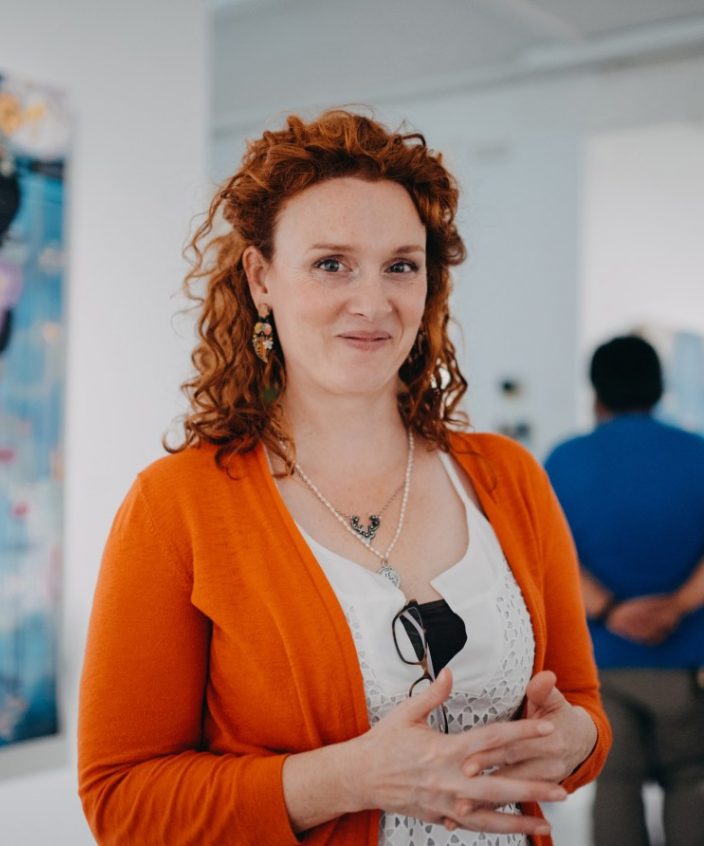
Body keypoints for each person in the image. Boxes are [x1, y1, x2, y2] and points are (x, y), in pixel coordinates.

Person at [78, 109, 610, 845]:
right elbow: (122, 801)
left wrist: (575, 740)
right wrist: (351, 778)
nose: (372, 302)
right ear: (261, 278)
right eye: (332, 264)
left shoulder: (507, 476)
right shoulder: (177, 506)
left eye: (401, 266)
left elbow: (582, 706)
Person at [544, 335, 704, 846]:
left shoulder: (565, 460)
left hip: (602, 662)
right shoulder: (698, 452)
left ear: (596, 391)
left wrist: (612, 611)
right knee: (693, 781)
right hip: (688, 661)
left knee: (614, 783)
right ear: (659, 386)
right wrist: (676, 606)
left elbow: (551, 557)